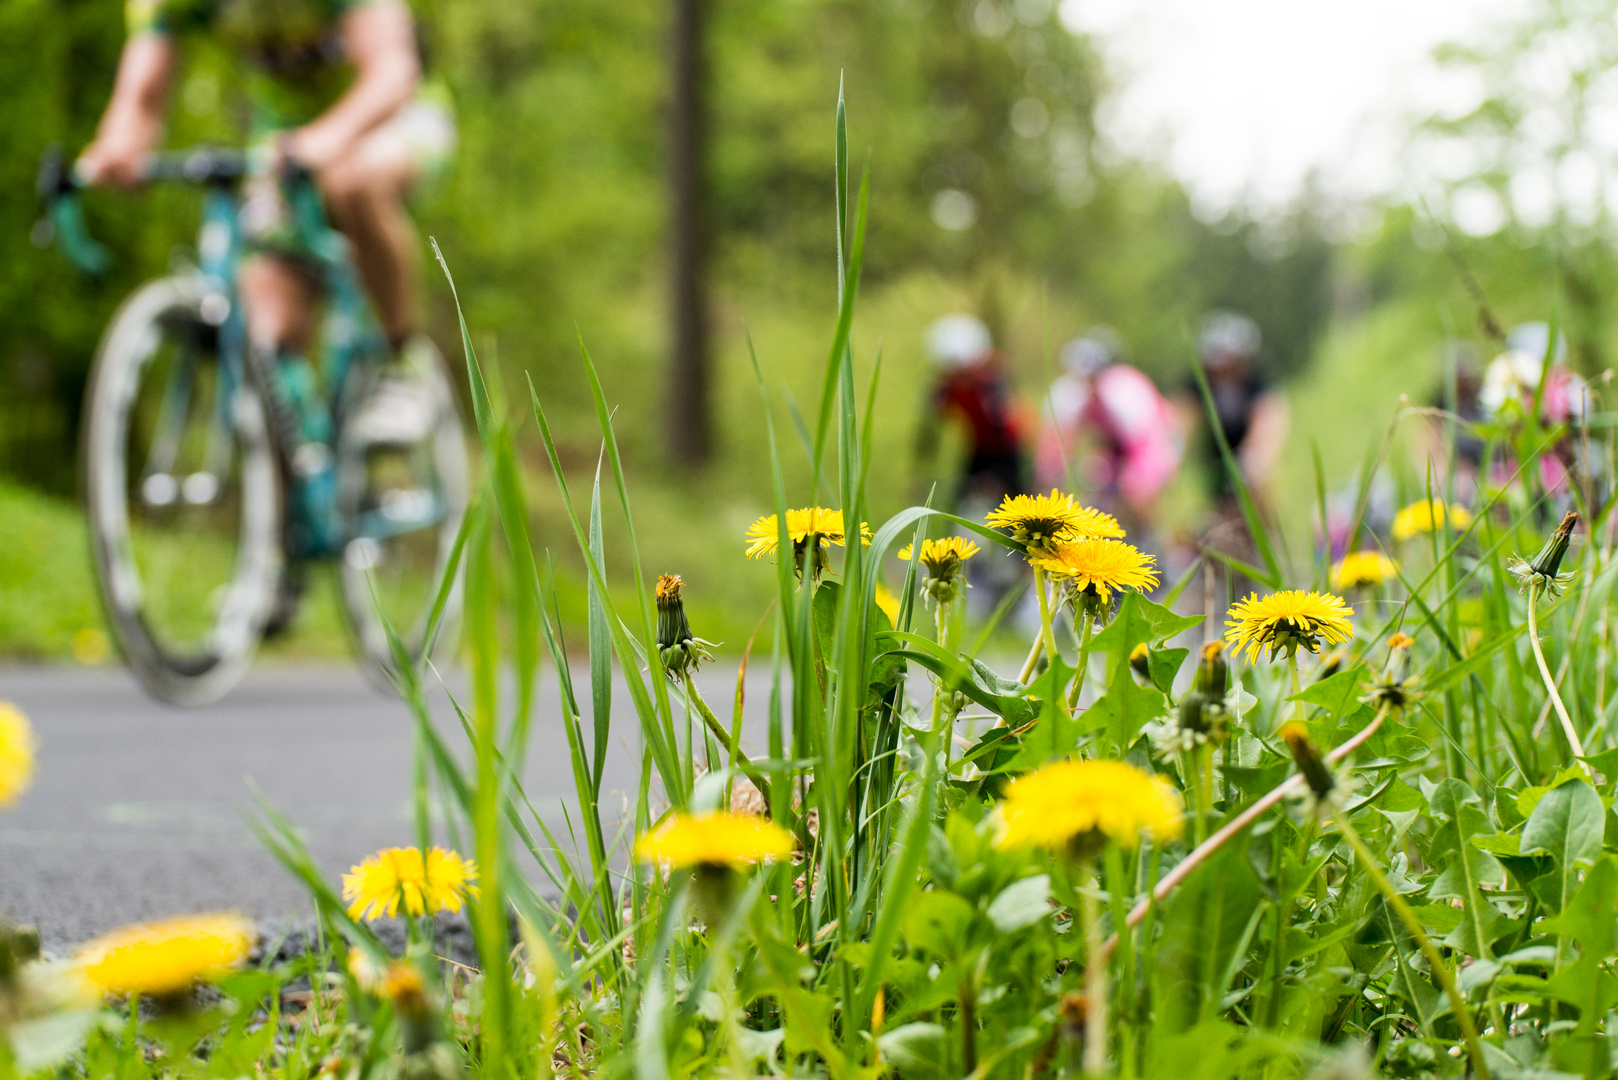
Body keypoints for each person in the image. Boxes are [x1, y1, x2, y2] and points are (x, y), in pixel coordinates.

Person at [79, 0, 455, 626]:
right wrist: (117, 149)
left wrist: (322, 144)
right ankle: (280, 548)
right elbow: (141, 98)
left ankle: (397, 363)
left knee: (351, 183)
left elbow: (393, 72)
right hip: (283, 142)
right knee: (268, 337)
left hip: (394, 121)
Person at [1034, 329, 1181, 536]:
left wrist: (1132, 485)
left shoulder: (1125, 393)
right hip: (1115, 446)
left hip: (1155, 439)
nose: (1089, 384)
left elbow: (1143, 448)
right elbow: (1054, 453)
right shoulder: (1068, 394)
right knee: (1096, 483)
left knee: (1136, 490)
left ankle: (1150, 542)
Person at [914, 314, 1031, 509]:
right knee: (958, 502)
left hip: (1008, 450)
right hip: (978, 450)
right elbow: (932, 426)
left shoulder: (990, 383)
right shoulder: (949, 389)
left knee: (1018, 508)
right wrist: (923, 468)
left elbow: (1008, 423)